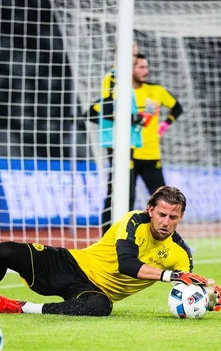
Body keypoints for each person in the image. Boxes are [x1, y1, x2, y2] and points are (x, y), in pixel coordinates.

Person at [0, 186, 221, 317]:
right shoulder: (133, 222)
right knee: (3, 251)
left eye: (173, 218)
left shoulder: (180, 253)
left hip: (94, 292)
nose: (165, 222)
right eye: (161, 214)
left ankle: (22, 308)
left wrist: (208, 295)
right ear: (150, 210)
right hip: (71, 264)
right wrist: (171, 275)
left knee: (101, 307)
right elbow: (126, 264)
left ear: (181, 218)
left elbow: (191, 285)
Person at [88, 42, 150, 235]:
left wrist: (137, 119)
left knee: (125, 188)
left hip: (126, 140)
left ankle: (120, 234)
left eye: (136, 55)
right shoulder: (114, 77)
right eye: (132, 55)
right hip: (116, 141)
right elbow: (105, 109)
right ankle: (109, 235)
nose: (135, 58)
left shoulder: (124, 80)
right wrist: (132, 118)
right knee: (118, 189)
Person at [130, 54, 183, 210]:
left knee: (162, 200)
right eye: (141, 67)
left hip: (151, 154)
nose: (146, 71)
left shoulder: (156, 91)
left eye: (147, 67)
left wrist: (164, 126)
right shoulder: (122, 92)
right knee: (126, 200)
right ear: (130, 68)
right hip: (128, 155)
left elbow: (177, 108)